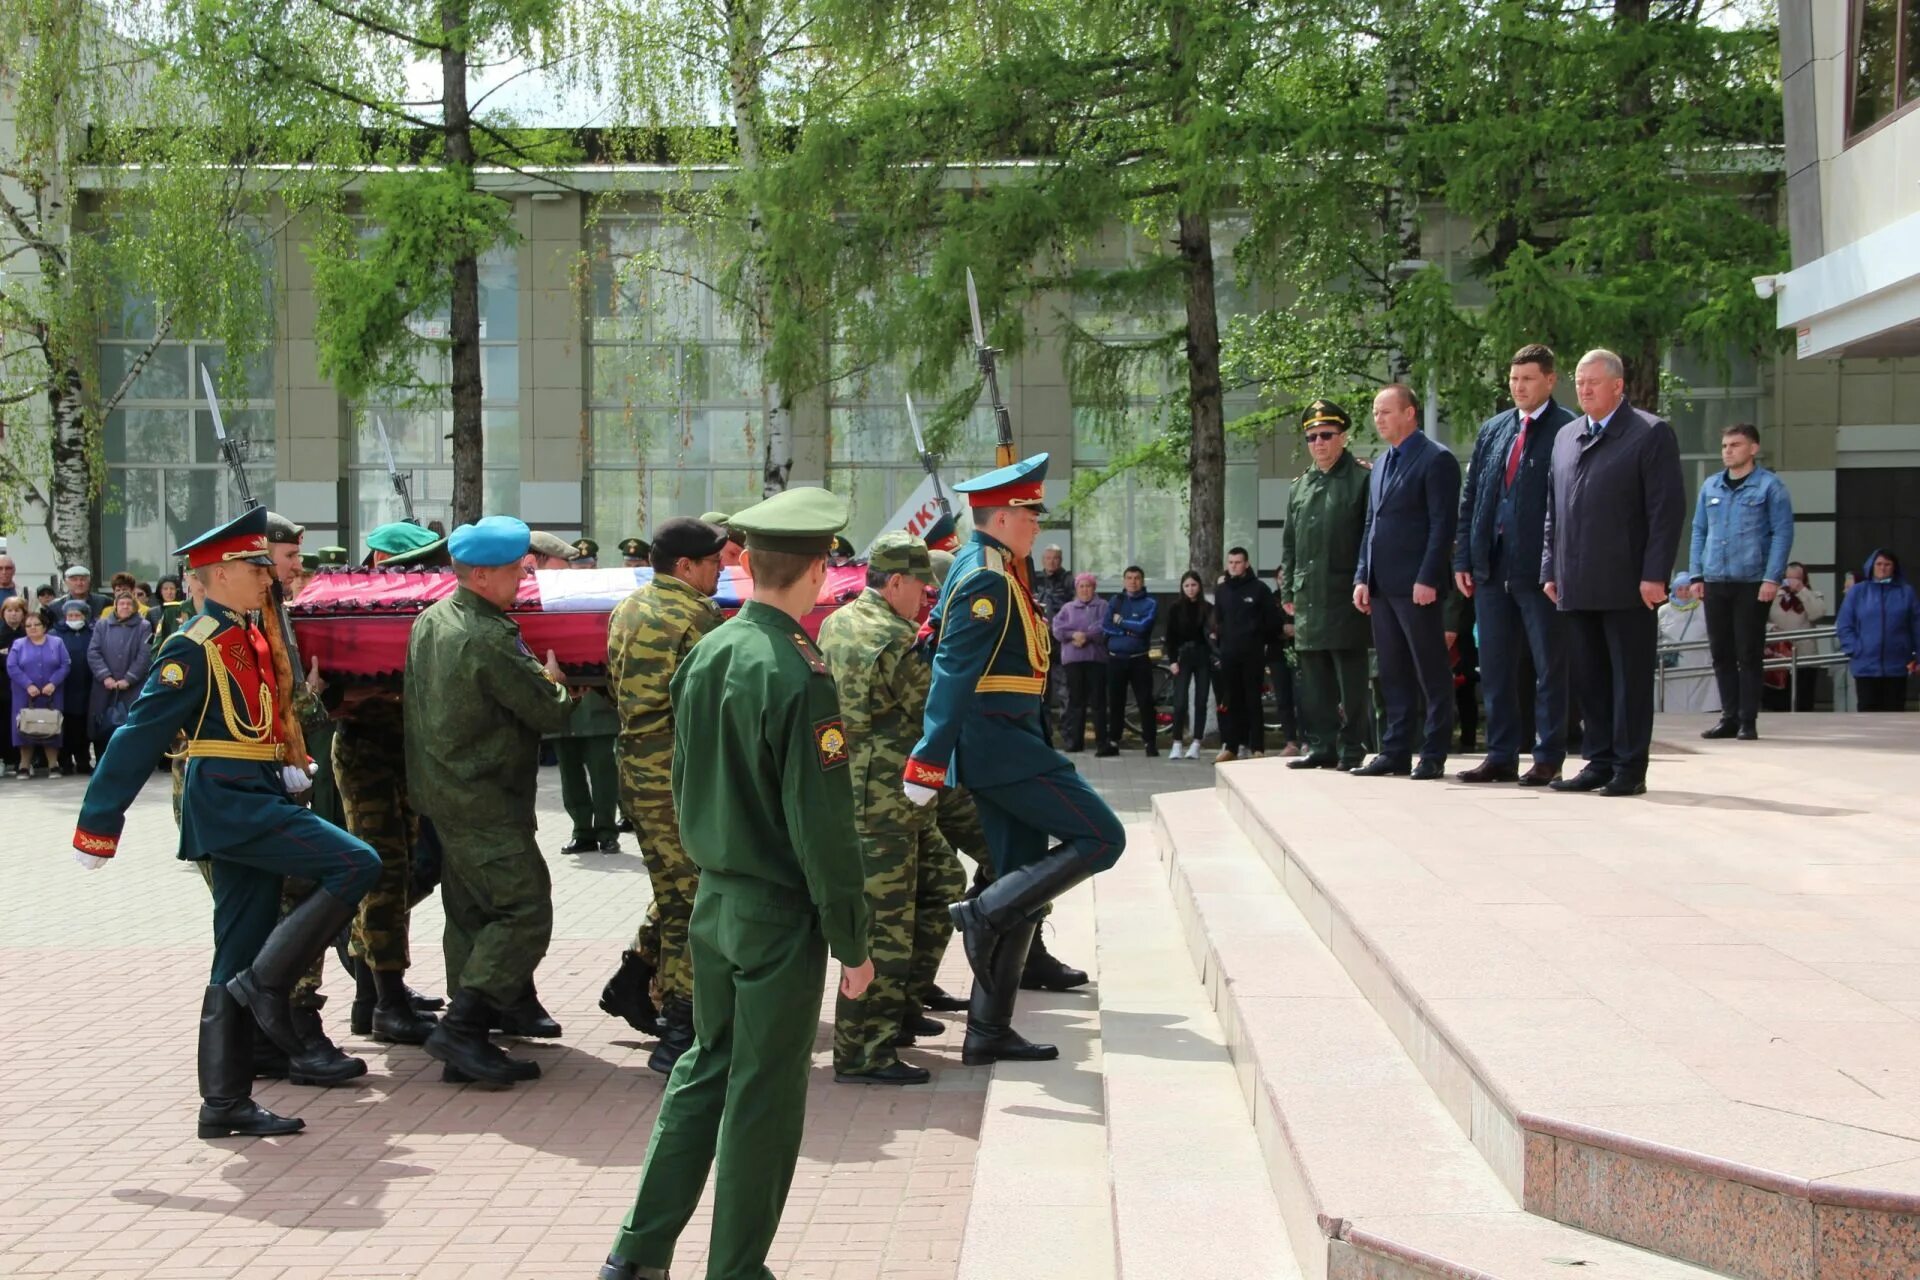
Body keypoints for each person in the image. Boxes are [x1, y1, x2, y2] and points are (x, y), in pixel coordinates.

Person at [596, 486, 875, 1280]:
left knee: (704, 1068)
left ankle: (638, 1250)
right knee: (765, 1095)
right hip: (776, 912)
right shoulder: (799, 670)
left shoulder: (712, 649)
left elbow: (683, 784)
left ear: (744, 563)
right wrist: (852, 938)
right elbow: (822, 827)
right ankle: (737, 1269)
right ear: (821, 569)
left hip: (713, 899)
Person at [70, 506, 380, 1138]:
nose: (267, 576)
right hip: (229, 802)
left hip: (254, 789)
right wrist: (99, 822)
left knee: (235, 948)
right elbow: (138, 735)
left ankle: (224, 1102)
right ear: (217, 575)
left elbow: (259, 719)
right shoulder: (195, 645)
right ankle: (267, 986)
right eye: (253, 567)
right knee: (358, 862)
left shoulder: (248, 636)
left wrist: (286, 763)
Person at [904, 453, 1127, 1065]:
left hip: (1010, 737)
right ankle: (981, 912)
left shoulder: (996, 567)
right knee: (1104, 838)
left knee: (1020, 877)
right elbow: (951, 668)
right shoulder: (985, 576)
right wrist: (928, 760)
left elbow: (936, 644)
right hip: (998, 743)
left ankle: (987, 1029)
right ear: (1002, 518)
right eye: (1030, 515)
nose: (1037, 527)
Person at [406, 515, 578, 1087]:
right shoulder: (486, 636)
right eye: (513, 571)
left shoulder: (434, 618)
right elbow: (549, 709)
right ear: (480, 575)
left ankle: (470, 1039)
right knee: (525, 907)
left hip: (443, 791)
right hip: (484, 795)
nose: (522, 580)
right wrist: (555, 680)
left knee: (472, 912)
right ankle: (463, 1026)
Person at [820, 531, 961, 1086]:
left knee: (942, 887)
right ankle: (863, 1051)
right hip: (884, 804)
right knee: (884, 929)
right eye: (920, 588)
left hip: (870, 794)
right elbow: (934, 705)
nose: (924, 597)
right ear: (895, 581)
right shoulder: (896, 640)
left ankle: (899, 1009)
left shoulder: (837, 621)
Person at [601, 516, 729, 1074]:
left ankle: (634, 983)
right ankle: (680, 1029)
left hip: (635, 772)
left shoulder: (627, 608)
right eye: (713, 562)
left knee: (676, 893)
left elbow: (614, 686)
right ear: (686, 567)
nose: (721, 570)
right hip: (680, 778)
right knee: (697, 904)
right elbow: (716, 702)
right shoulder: (699, 616)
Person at [1541, 349, 1686, 796]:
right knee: (1590, 678)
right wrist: (1550, 566)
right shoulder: (1566, 436)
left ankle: (1629, 767)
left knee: (1629, 679)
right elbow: (1554, 509)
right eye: (1580, 382)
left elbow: (1666, 510)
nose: (1583, 389)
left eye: (1593, 382)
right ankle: (1597, 761)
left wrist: (1655, 573)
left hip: (1627, 581)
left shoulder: (1648, 433)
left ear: (1618, 386)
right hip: (1576, 579)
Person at [335, 521, 449, 1055]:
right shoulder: (359, 611)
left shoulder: (404, 608)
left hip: (399, 754)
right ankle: (385, 1003)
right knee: (385, 874)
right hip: (368, 753)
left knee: (403, 869)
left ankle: (374, 993)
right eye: (418, 565)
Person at [1453, 345, 1576, 785]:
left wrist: (1558, 565)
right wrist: (1464, 555)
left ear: (1549, 380)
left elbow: (1569, 504)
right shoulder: (1494, 430)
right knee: (1496, 666)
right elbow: (1473, 497)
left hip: (1540, 571)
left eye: (1527, 379)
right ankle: (1500, 754)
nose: (1518, 387)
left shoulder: (1568, 430)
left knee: (1548, 666)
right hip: (1491, 566)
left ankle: (1548, 755)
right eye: (1513, 379)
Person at [1352, 384, 1462, 780]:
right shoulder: (1382, 463)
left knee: (1430, 670)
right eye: (1375, 412)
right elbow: (1371, 524)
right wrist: (1363, 576)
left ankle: (1433, 752)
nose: (1378, 418)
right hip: (1382, 586)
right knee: (1393, 671)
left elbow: (1442, 525)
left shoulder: (1436, 460)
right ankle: (1395, 750)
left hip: (1418, 587)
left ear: (1410, 413)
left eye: (1386, 411)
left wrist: (1429, 576)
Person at [1283, 401, 1375, 771]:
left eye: (1326, 435)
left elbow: (1370, 537)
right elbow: (1289, 543)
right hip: (1308, 598)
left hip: (1345, 594)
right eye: (1312, 437)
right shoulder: (1300, 486)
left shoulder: (1361, 479)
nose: (1318, 443)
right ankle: (1321, 745)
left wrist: (1365, 580)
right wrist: (1288, 590)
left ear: (1343, 437)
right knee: (1314, 680)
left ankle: (1353, 747)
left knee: (1351, 679)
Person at [1688, 423, 1795, 740]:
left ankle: (1748, 719)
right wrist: (1697, 573)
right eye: (1724, 446)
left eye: (1735, 445)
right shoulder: (1711, 487)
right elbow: (1699, 531)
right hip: (1715, 579)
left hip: (1751, 581)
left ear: (1753, 449)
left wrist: (1772, 577)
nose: (1728, 451)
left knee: (1748, 651)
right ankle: (1729, 716)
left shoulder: (1770, 487)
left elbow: (1782, 534)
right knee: (1721, 651)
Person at [556, 543, 623, 856]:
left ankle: (607, 831)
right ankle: (582, 830)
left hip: (597, 708)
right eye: (577, 564)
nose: (582, 569)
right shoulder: (557, 599)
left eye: (587, 564)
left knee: (603, 776)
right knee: (570, 778)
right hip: (562, 710)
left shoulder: (605, 600)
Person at [1213, 546, 1278, 762]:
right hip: (1229, 653)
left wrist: (1259, 638)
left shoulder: (1259, 589)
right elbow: (1218, 620)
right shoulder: (1222, 590)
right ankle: (1231, 746)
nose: (1234, 566)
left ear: (1246, 564)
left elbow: (1273, 621)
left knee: (1252, 699)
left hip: (1252, 653)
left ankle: (1257, 747)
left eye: (1238, 562)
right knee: (1231, 700)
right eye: (1230, 562)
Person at [1835, 548, 1920, 711]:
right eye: (1879, 564)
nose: (1883, 568)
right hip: (1865, 666)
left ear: (1894, 567)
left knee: (1894, 713)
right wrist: (1854, 649)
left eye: (1887, 564)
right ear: (1871, 566)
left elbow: (1917, 625)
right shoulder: (1858, 591)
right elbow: (1845, 624)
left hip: (1897, 665)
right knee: (1867, 713)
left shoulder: (1906, 592)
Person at [1103, 564, 1159, 757]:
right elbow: (1107, 626)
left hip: (1139, 660)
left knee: (1145, 701)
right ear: (1124, 581)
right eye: (1129, 578)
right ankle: (1113, 742)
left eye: (1136, 578)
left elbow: (1143, 628)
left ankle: (1150, 742)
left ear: (1142, 581)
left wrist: (1122, 622)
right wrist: (1126, 630)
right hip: (1116, 660)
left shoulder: (1150, 603)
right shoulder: (1116, 601)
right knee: (1116, 702)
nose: (1133, 582)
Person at [1050, 572, 1109, 752]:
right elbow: (1057, 628)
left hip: (1096, 659)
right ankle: (1076, 742)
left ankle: (1102, 743)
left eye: (1088, 586)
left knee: (1098, 702)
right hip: (1073, 661)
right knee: (1076, 702)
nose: (1085, 590)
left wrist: (1086, 636)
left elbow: (1104, 627)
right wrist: (1072, 635)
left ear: (1094, 588)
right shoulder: (1068, 608)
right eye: (1081, 586)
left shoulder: (1103, 606)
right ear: (1076, 589)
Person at [88, 593, 152, 757]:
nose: (125, 607)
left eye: (129, 604)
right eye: (121, 603)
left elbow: (145, 655)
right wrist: (106, 677)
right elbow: (93, 652)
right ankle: (102, 760)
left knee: (132, 724)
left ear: (134, 607)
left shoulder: (143, 626)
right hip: (105, 687)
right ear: (115, 606)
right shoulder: (102, 625)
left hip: (132, 687)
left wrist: (129, 678)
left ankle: (131, 761)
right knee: (102, 724)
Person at [8, 609, 67, 777]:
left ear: (44, 626)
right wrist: (28, 684)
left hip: (51, 693)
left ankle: (53, 765)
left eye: (36, 624)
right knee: (25, 727)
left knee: (51, 726)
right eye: (28, 626)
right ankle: (24, 765)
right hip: (24, 694)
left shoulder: (57, 643)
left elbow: (65, 665)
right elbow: (12, 666)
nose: (32, 628)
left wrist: (53, 683)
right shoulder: (18, 644)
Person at [1766, 562, 1830, 712]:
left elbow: (1817, 614)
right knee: (1777, 704)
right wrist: (1771, 628)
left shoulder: (1813, 595)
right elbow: (1759, 621)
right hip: (1778, 659)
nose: (1791, 583)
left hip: (1804, 659)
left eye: (1796, 579)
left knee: (1803, 703)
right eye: (1788, 579)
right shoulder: (1773, 597)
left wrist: (1801, 590)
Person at [1163, 570, 1213, 759]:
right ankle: (1176, 742)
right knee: (1180, 702)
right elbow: (1170, 637)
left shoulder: (1207, 608)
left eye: (1193, 585)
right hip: (1183, 657)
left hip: (1203, 657)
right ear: (1182, 588)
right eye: (1186, 586)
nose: (1190, 589)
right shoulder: (1175, 608)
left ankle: (1196, 743)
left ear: (1199, 586)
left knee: (1201, 701)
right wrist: (1173, 661)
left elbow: (1212, 635)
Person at [1657, 572, 1718, 713]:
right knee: (1674, 701)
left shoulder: (1704, 607)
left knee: (1702, 699)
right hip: (1673, 663)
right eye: (1680, 589)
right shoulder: (1664, 610)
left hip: (1700, 661)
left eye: (1687, 588)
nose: (1684, 593)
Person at [56, 600, 98, 774]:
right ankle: (64, 761)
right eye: (70, 615)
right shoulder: (56, 634)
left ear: (84, 616)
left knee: (83, 727)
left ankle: (83, 760)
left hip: (87, 685)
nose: (74, 618)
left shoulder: (92, 633)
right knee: (64, 726)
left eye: (77, 615)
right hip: (64, 686)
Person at [1267, 566, 1300, 756]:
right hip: (1277, 652)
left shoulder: (1300, 597)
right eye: (1280, 578)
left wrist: (1297, 628)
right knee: (1283, 699)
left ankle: (1307, 739)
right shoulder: (1271, 599)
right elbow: (1265, 623)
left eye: (1286, 577)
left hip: (1300, 651)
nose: (1282, 581)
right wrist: (1281, 629)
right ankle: (1290, 741)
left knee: (1303, 697)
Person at [0, 595, 26, 755]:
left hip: (24, 685)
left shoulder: (28, 633)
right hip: (2, 685)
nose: (13, 614)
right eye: (9, 610)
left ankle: (22, 759)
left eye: (17, 610)